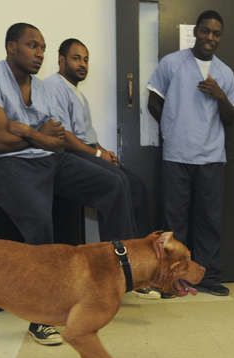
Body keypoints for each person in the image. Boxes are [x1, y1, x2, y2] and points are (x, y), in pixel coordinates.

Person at [0, 23, 130, 345]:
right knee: (40, 220)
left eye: (42, 48)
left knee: (114, 183)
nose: (39, 54)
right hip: (4, 165)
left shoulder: (40, 88)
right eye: (32, 46)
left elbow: (55, 141)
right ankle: (40, 317)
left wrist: (28, 132)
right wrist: (35, 134)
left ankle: (119, 274)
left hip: (46, 160)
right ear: (11, 46)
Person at [147, 9, 234, 297]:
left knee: (209, 221)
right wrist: (172, 129)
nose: (209, 37)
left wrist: (219, 95)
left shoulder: (224, 73)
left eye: (215, 33)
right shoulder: (172, 64)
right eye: (205, 31)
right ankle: (170, 279)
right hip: (176, 155)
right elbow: (153, 102)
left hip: (211, 157)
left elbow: (231, 117)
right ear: (196, 32)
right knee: (173, 222)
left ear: (219, 37)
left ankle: (207, 276)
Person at [43, 38, 146, 239]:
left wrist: (105, 153)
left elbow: (89, 135)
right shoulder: (53, 87)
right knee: (117, 182)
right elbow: (63, 136)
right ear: (61, 60)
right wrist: (98, 153)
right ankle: (118, 257)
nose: (82, 64)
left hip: (87, 151)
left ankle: (140, 252)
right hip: (70, 154)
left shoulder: (78, 94)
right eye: (76, 58)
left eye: (86, 60)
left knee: (137, 186)